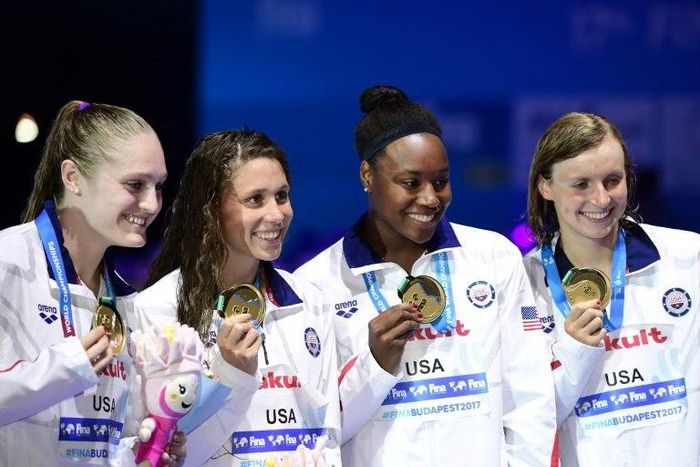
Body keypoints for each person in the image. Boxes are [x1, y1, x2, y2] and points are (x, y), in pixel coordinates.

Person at [294, 85, 556, 466]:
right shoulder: (317, 284)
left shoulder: (493, 258)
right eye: (411, 182)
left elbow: (530, 400)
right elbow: (319, 434)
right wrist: (374, 363)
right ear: (367, 175)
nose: (431, 198)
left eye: (441, 181)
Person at [134, 129, 342, 466]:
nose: (276, 214)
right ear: (210, 210)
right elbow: (164, 455)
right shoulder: (157, 309)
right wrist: (229, 374)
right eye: (255, 199)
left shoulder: (310, 301)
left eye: (282, 195)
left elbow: (327, 437)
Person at [0, 100, 185, 465]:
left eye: (159, 186)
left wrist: (146, 449)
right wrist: (65, 367)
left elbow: (105, 436)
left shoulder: (127, 303)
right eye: (135, 184)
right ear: (73, 178)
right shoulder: (9, 261)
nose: (151, 204)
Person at [523, 112, 700, 466]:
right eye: (581, 184)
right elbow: (526, 423)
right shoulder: (523, 284)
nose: (602, 199)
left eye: (612, 180)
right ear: (546, 186)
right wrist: (572, 353)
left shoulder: (688, 258)